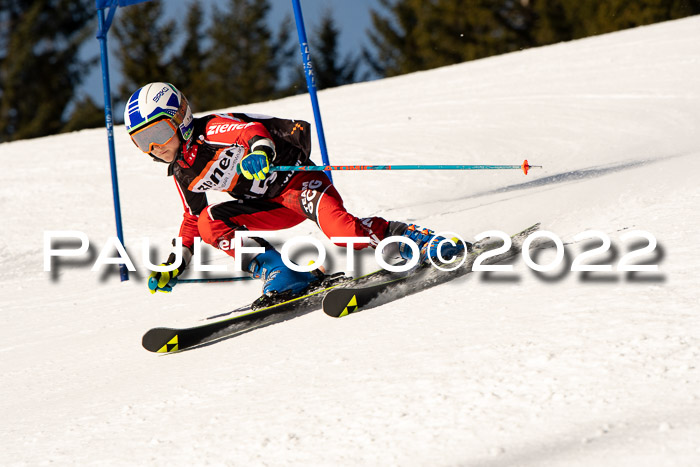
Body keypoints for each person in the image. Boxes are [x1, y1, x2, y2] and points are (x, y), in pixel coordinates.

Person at [124, 82, 465, 300]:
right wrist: (176, 263)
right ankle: (283, 273)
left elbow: (252, 131)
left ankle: (413, 239)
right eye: (142, 141)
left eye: (157, 132)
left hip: (300, 183)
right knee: (208, 222)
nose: (153, 147)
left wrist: (260, 152)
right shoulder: (183, 172)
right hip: (270, 206)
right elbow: (191, 220)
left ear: (180, 117)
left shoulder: (210, 130)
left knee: (346, 235)